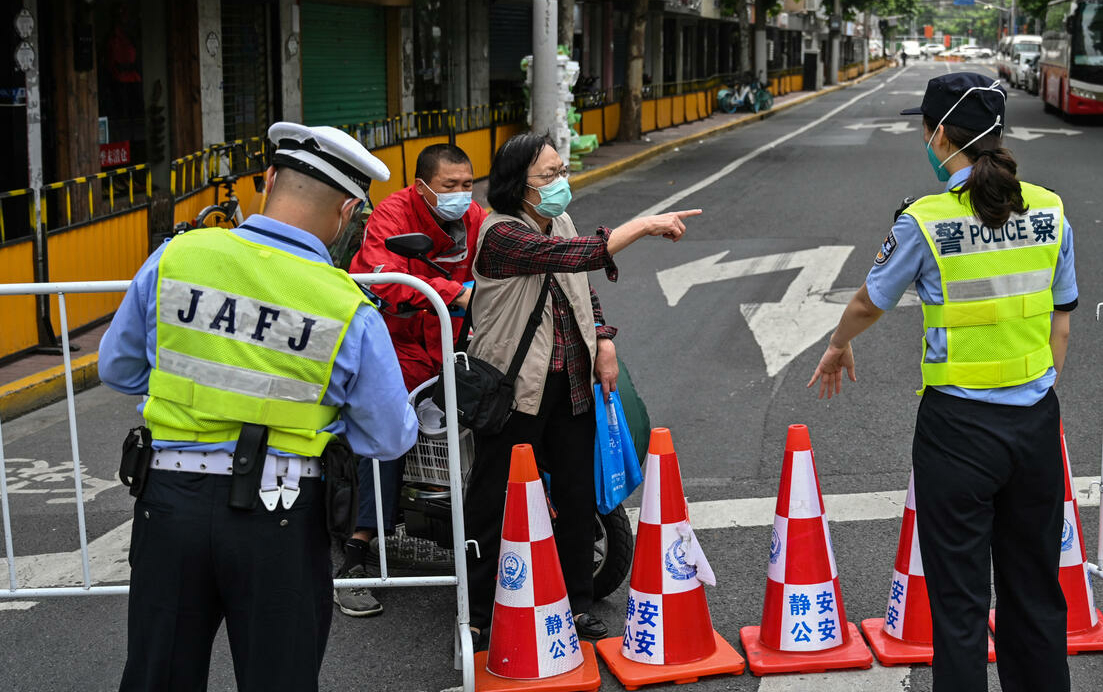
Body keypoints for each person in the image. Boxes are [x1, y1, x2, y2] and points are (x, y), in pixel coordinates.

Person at [100, 122, 419, 692]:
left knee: (158, 677)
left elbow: (118, 370)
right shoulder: (346, 305)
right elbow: (390, 437)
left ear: (269, 179)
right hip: (281, 515)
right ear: (347, 212)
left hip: (168, 506)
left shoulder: (176, 259)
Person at [808, 73, 1076, 692]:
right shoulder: (1050, 209)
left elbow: (871, 302)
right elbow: (1061, 322)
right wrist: (1035, 392)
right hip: (1035, 423)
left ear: (936, 135)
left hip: (957, 431)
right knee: (1035, 590)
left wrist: (838, 344)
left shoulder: (926, 220)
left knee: (957, 603)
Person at [465, 133, 700, 646]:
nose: (560, 184)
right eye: (548, 177)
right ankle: (480, 613)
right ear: (516, 185)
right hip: (515, 389)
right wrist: (643, 225)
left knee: (576, 496)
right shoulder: (501, 234)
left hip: (569, 381)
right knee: (493, 501)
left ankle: (575, 605)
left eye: (561, 171)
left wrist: (603, 338)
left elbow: (581, 288)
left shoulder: (560, 220)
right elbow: (572, 257)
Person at [336, 144, 485, 617]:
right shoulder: (392, 215)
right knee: (386, 427)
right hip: (400, 347)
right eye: (450, 187)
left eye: (467, 185)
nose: (462, 195)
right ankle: (359, 551)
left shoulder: (476, 218)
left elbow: (499, 264)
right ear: (422, 186)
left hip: (459, 345)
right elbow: (379, 275)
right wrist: (453, 293)